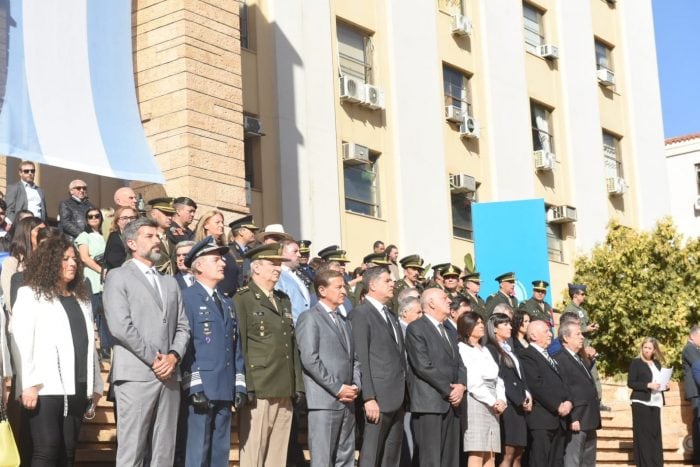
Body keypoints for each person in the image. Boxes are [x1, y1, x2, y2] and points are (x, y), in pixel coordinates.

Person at [103, 217, 190, 466]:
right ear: (131, 242)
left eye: (158, 236)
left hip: (170, 375)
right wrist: (155, 358)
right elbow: (121, 327)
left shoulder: (169, 282)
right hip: (136, 375)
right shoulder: (118, 276)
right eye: (149, 236)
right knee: (133, 451)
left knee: (165, 452)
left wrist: (173, 356)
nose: (157, 241)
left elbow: (183, 326)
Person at [12, 236, 103, 465]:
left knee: (69, 450)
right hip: (44, 386)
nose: (72, 263)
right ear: (50, 261)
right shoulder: (30, 294)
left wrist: (96, 385)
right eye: (65, 258)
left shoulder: (82, 299)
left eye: (74, 259)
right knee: (47, 448)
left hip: (78, 385)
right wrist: (28, 384)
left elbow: (88, 345)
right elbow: (22, 342)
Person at [235, 243, 304, 466]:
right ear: (256, 268)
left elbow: (290, 345)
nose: (278, 268)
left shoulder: (283, 299)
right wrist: (246, 385)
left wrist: (298, 385)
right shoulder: (243, 299)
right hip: (260, 385)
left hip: (284, 385)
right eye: (272, 264)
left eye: (279, 264)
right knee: (254, 451)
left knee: (278, 453)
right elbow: (241, 346)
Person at [180, 236, 247, 467]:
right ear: (198, 265)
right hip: (202, 387)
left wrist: (239, 384)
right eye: (216, 259)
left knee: (220, 452)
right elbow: (186, 345)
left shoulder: (227, 303)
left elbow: (235, 346)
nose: (223, 264)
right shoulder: (186, 298)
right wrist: (194, 384)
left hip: (224, 385)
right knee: (198, 452)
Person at [295, 269, 361, 467]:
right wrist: (338, 388)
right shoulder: (310, 318)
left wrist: (356, 385)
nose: (344, 291)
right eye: (339, 287)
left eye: (344, 286)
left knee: (345, 458)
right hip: (324, 401)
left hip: (348, 400)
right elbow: (310, 359)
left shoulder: (343, 320)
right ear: (322, 290)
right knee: (323, 459)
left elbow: (354, 359)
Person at [349, 266, 406, 467]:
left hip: (398, 396)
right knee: (372, 454)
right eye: (387, 280)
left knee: (391, 455)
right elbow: (362, 358)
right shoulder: (361, 314)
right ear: (372, 285)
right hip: (378, 399)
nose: (393, 284)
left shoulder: (390, 314)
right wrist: (369, 397)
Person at [406, 288, 467, 467]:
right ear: (431, 303)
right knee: (430, 460)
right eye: (445, 297)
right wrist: (450, 391)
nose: (449, 301)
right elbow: (423, 366)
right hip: (430, 404)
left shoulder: (449, 331)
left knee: (451, 459)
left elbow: (460, 364)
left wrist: (461, 386)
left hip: (452, 404)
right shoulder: (416, 328)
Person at [519, 320, 572, 467]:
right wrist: (557, 405)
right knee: (540, 461)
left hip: (559, 421)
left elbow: (564, 383)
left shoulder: (552, 358)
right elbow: (536, 385)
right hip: (542, 420)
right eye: (546, 331)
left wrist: (568, 401)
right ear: (534, 336)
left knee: (556, 462)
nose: (550, 334)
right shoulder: (527, 355)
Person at [457, 312, 505, 467]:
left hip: (493, 401)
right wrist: (492, 401)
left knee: (491, 451)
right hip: (477, 401)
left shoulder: (485, 349)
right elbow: (473, 380)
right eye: (477, 323)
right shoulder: (462, 348)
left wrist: (501, 400)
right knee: (477, 449)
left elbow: (498, 378)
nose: (481, 325)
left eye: (481, 322)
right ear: (467, 328)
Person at [485, 313, 531, 467]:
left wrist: (527, 395)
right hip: (509, 405)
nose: (510, 327)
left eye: (509, 324)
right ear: (495, 329)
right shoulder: (491, 349)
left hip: (520, 404)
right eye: (505, 324)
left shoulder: (509, 348)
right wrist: (519, 399)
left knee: (519, 453)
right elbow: (501, 378)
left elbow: (520, 376)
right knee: (508, 453)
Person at [553, 321, 601, 467]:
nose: (582, 337)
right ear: (566, 338)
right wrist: (573, 417)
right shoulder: (560, 358)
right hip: (577, 419)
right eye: (578, 334)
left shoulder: (579, 358)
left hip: (589, 416)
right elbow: (565, 389)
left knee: (588, 461)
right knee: (573, 460)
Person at [74, 208, 109, 359]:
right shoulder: (84, 236)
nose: (94, 218)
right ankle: (89, 350)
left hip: (106, 280)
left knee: (105, 316)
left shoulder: (105, 235)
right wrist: (102, 271)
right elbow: (85, 258)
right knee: (92, 314)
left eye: (97, 216)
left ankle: (106, 348)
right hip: (92, 278)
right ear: (86, 219)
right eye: (90, 216)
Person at [627, 337, 665, 467]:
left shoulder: (657, 364)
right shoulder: (636, 363)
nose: (646, 350)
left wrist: (665, 385)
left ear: (654, 350)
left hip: (656, 402)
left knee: (655, 435)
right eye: (645, 347)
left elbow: (659, 382)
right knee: (643, 436)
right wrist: (647, 385)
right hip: (641, 402)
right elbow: (631, 383)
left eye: (649, 348)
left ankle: (656, 463)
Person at [1, 216, 44, 315]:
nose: (44, 234)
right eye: (39, 231)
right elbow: (10, 299)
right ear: (26, 234)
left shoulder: (48, 261)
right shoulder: (11, 263)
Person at [194, 210, 240, 297]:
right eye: (217, 222)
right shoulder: (200, 249)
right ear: (206, 225)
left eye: (222, 222)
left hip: (231, 299)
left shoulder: (226, 250)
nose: (222, 225)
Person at [275, 239, 311, 324]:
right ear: (282, 253)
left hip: (304, 326)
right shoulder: (278, 275)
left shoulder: (297, 273)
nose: (299, 255)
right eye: (295, 252)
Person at [683, 325, 700, 465]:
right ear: (693, 336)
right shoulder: (689, 349)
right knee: (698, 422)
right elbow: (698, 367)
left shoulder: (695, 349)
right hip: (696, 392)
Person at [148, 197, 177, 276]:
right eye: (166, 214)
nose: (170, 218)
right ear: (153, 214)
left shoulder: (172, 239)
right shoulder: (147, 239)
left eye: (171, 214)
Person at [103, 206, 138, 272]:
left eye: (132, 218)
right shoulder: (115, 237)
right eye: (124, 218)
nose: (129, 221)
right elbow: (115, 262)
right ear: (117, 221)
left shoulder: (140, 236)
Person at [228, 215, 259, 287]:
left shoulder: (253, 252)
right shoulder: (229, 251)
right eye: (251, 230)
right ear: (241, 232)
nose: (253, 233)